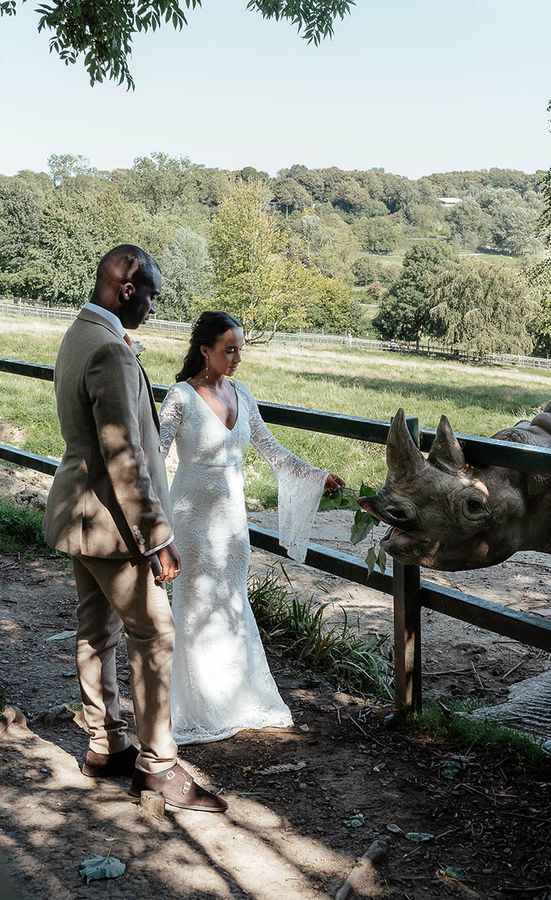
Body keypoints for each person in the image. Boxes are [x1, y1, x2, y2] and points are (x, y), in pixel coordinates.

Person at [44, 246, 227, 812]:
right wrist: (158, 536)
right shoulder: (111, 352)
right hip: (113, 523)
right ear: (127, 290)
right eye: (150, 295)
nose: (152, 307)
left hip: (79, 512)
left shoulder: (78, 334)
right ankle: (158, 767)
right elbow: (125, 456)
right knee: (155, 634)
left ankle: (106, 744)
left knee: (96, 629)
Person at [159, 311, 344, 744]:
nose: (238, 357)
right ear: (205, 350)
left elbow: (271, 449)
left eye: (241, 348)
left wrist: (317, 476)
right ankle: (199, 705)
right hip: (190, 519)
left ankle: (236, 697)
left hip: (231, 524)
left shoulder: (243, 394)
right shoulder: (180, 397)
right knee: (195, 607)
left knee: (231, 603)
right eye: (229, 349)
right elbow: (155, 450)